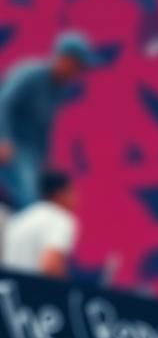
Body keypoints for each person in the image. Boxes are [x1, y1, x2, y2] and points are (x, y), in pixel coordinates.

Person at [0, 32, 97, 208]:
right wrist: (3, 139)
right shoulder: (29, 73)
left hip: (30, 152)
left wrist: (46, 159)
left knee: (35, 198)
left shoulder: (57, 89)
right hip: (12, 148)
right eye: (77, 66)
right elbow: (4, 102)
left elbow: (45, 126)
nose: (77, 73)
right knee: (27, 197)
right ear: (65, 59)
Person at [2, 169, 78, 277]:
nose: (76, 197)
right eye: (72, 191)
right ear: (60, 193)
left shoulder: (19, 219)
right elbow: (50, 265)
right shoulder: (61, 219)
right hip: (36, 290)